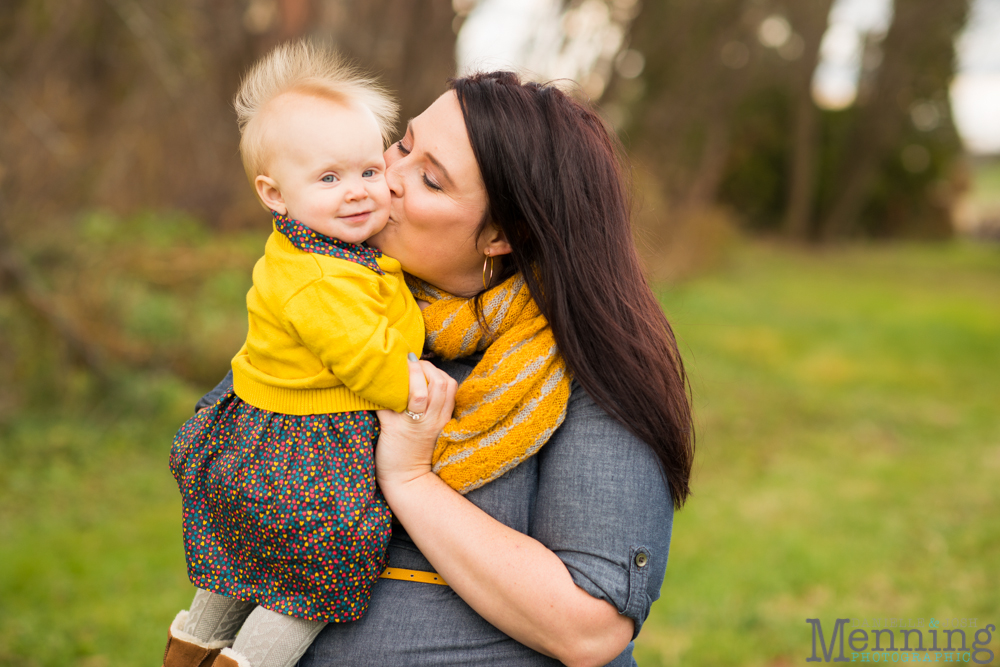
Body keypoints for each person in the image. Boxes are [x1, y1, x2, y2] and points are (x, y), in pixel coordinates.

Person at [198, 71, 695, 666]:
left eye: (430, 179)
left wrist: (409, 481)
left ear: (501, 236)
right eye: (402, 145)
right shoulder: (334, 294)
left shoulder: (585, 363)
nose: (387, 178)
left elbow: (590, 630)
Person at [163, 41, 431, 667]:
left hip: (262, 444)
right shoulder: (320, 280)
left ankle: (189, 649)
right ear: (274, 194)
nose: (359, 192)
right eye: (329, 178)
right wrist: (417, 391)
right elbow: (366, 362)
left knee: (239, 567)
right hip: (309, 460)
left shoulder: (317, 250)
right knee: (307, 584)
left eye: (370, 171)